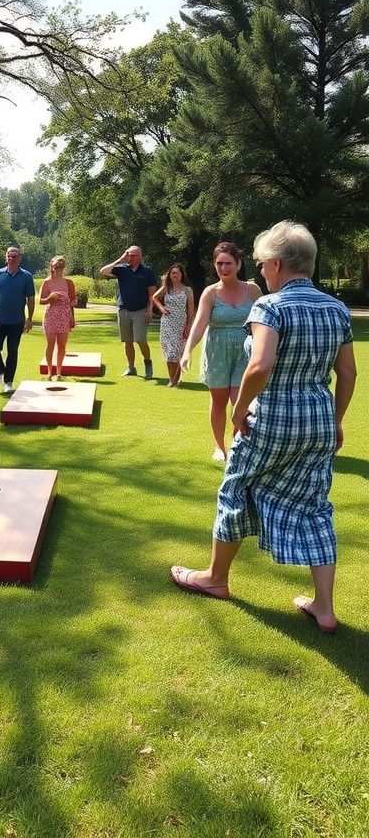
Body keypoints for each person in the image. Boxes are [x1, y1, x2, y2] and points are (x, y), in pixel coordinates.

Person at [171, 221, 357, 635]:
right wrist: (336, 420)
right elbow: (348, 373)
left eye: (260, 264)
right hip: (318, 421)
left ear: (276, 264)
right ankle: (324, 607)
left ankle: (215, 578)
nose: (259, 271)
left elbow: (260, 365)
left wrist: (240, 410)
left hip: (270, 418)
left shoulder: (270, 306)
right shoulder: (336, 308)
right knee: (313, 504)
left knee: (235, 489)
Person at [180, 242, 262, 460]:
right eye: (219, 263)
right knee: (218, 400)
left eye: (228, 263)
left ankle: (237, 444)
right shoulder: (210, 293)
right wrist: (188, 351)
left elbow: (264, 323)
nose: (223, 268)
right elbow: (199, 325)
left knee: (239, 401)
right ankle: (219, 447)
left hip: (245, 353)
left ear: (238, 264)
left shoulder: (252, 290)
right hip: (217, 352)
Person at [100, 245, 157, 378]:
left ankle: (148, 363)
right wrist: (119, 260)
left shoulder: (146, 271)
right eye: (128, 255)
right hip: (124, 309)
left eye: (132, 255)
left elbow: (152, 293)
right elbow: (103, 271)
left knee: (140, 339)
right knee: (127, 341)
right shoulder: (122, 269)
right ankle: (131, 367)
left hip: (140, 310)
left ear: (139, 257)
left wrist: (150, 309)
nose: (129, 258)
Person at [0, 245, 35, 394]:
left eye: (15, 256)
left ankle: (8, 382)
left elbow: (31, 298)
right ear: (6, 257)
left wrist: (29, 319)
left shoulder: (26, 276)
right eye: (9, 255)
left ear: (19, 258)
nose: (11, 258)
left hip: (17, 321)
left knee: (12, 351)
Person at [152, 263, 195, 387]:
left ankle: (176, 379)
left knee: (177, 351)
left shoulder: (187, 290)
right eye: (172, 273)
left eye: (177, 273)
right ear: (169, 275)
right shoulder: (166, 288)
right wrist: (162, 307)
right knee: (169, 352)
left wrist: (188, 326)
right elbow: (154, 297)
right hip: (167, 323)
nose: (174, 275)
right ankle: (172, 379)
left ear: (182, 275)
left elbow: (191, 309)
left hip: (181, 322)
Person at [39, 255, 77, 381]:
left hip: (64, 316)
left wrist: (72, 318)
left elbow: (72, 302)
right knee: (50, 344)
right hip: (51, 316)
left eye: (61, 266)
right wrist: (50, 297)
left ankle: (59, 372)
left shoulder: (68, 282)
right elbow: (41, 301)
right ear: (52, 266)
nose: (59, 269)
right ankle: (50, 372)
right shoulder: (47, 282)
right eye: (56, 266)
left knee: (62, 345)